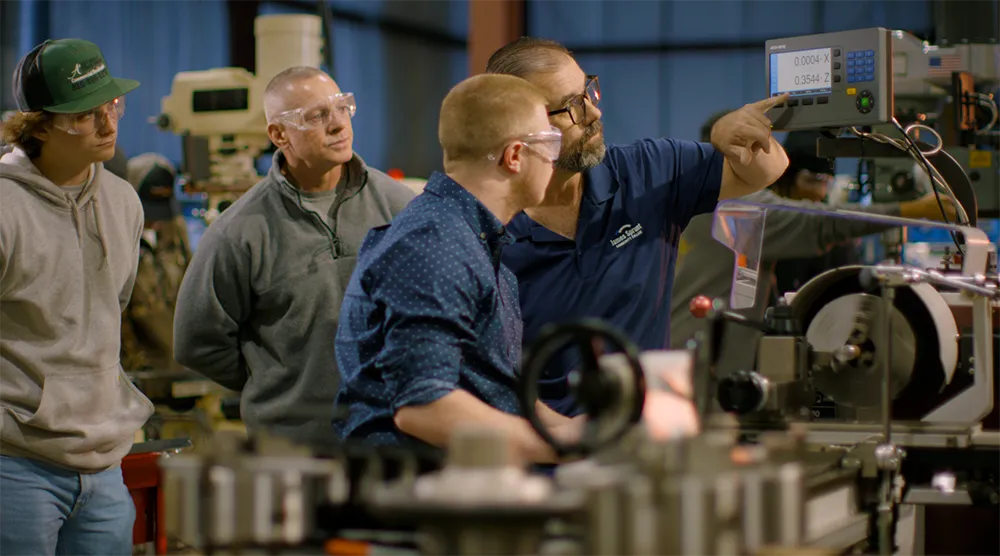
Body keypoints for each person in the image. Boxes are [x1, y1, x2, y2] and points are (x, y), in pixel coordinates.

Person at [486, 37, 790, 415]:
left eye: (589, 92)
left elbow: (765, 171)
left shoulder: (650, 172)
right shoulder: (490, 238)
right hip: (551, 456)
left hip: (649, 449)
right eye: (571, 107)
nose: (594, 113)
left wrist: (741, 137)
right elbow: (486, 380)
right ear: (519, 130)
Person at [334, 74, 584, 463]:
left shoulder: (472, 238)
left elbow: (489, 389)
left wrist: (574, 429)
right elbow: (425, 406)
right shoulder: (436, 245)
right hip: (415, 501)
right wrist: (567, 448)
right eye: (549, 142)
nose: (554, 159)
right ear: (514, 156)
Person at [173, 66, 415, 447]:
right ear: (278, 134)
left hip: (392, 442)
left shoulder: (401, 208)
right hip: (291, 451)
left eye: (341, 108)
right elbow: (197, 342)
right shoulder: (239, 231)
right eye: (316, 115)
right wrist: (279, 381)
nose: (337, 125)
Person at [0, 39, 151, 555]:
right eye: (85, 115)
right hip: (15, 465)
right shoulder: (4, 207)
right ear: (38, 125)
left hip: (104, 465)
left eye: (112, 106)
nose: (109, 125)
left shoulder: (124, 202)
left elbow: (117, 307)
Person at [670, 129, 958, 376]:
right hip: (701, 368)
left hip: (682, 354)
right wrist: (913, 211)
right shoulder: (740, 210)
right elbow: (821, 223)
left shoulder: (695, 201)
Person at [121, 153, 191, 375]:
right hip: (141, 373)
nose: (157, 221)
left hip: (181, 368)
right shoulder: (117, 239)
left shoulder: (175, 228)